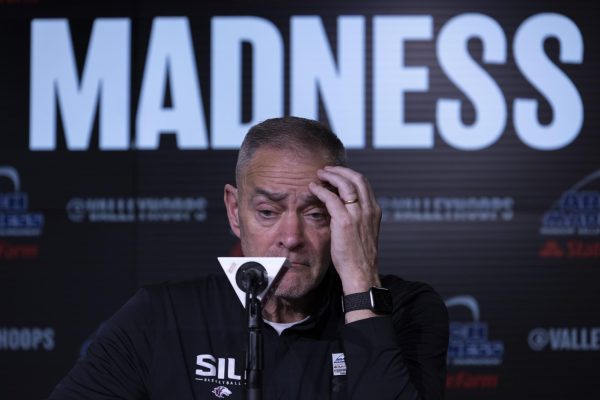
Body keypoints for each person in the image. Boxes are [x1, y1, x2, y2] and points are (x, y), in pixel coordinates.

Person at [49, 117, 448, 399]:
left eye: (316, 214)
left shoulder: (407, 310)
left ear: (348, 216)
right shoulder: (161, 317)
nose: (291, 238)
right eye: (268, 213)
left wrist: (361, 282)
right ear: (234, 211)